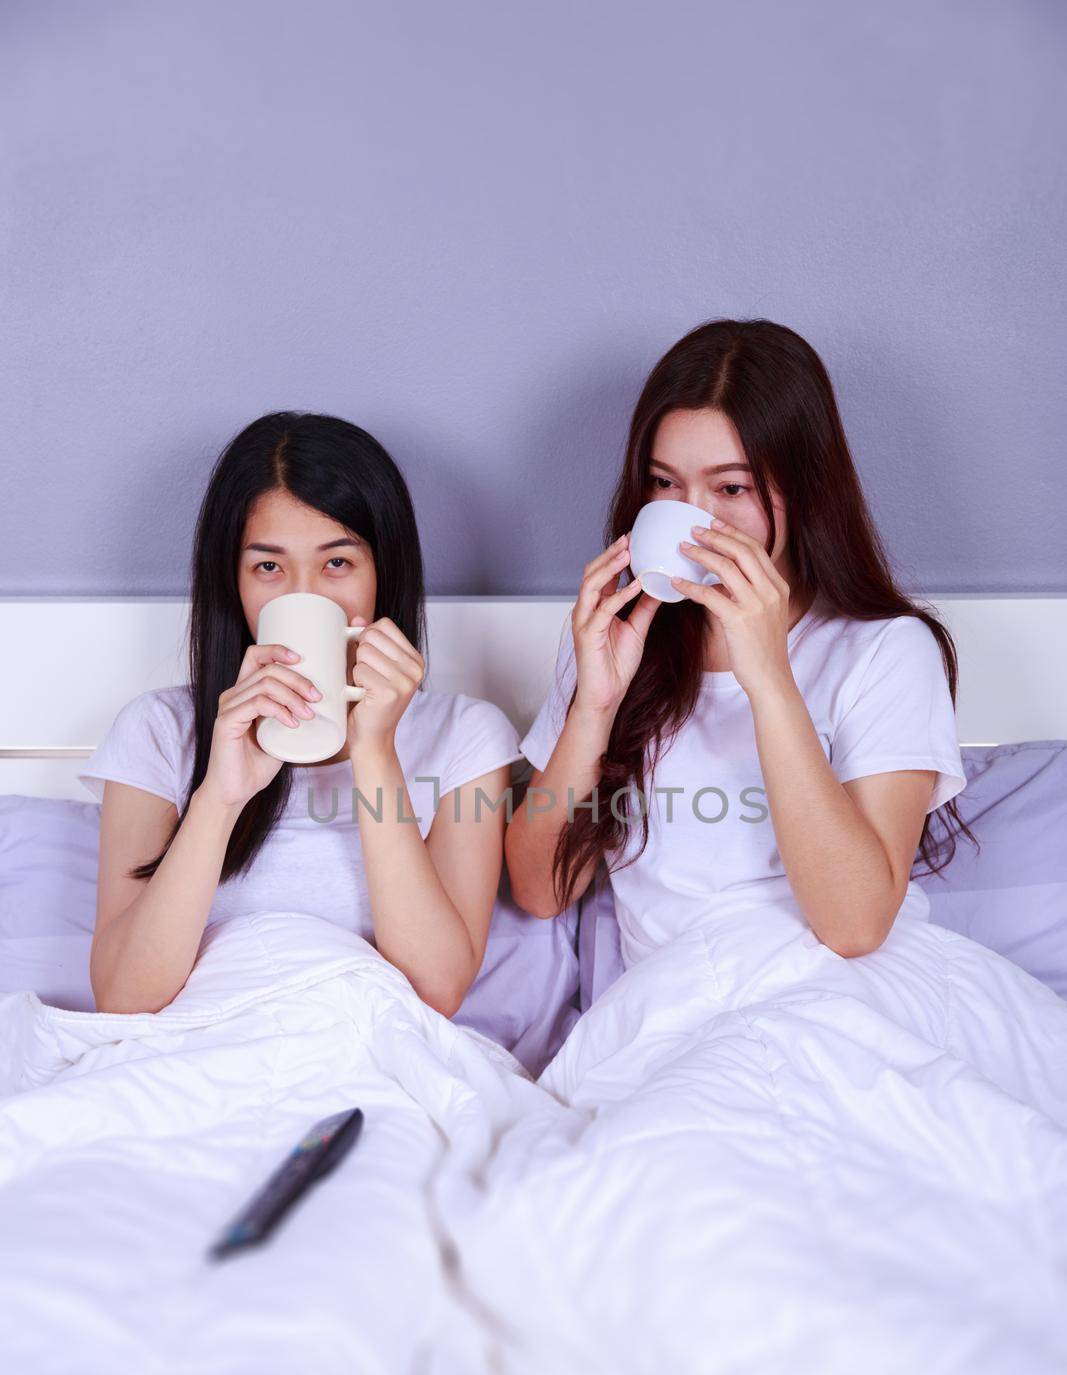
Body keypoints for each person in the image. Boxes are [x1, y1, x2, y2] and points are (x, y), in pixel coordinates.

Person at [505, 317, 975, 970]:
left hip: (836, 995)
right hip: (675, 1010)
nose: (695, 521)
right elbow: (540, 892)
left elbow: (856, 926)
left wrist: (769, 681)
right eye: (664, 484)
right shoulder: (613, 639)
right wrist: (593, 708)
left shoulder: (886, 651)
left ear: (805, 492)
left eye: (730, 489)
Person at [80, 412, 520, 1016]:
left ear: (382, 572)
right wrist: (221, 794)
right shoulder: (158, 732)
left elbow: (437, 990)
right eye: (269, 567)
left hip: (366, 1057)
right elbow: (123, 998)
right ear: (231, 582)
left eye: (337, 563)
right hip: (196, 1058)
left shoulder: (464, 736)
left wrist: (374, 753)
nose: (304, 596)